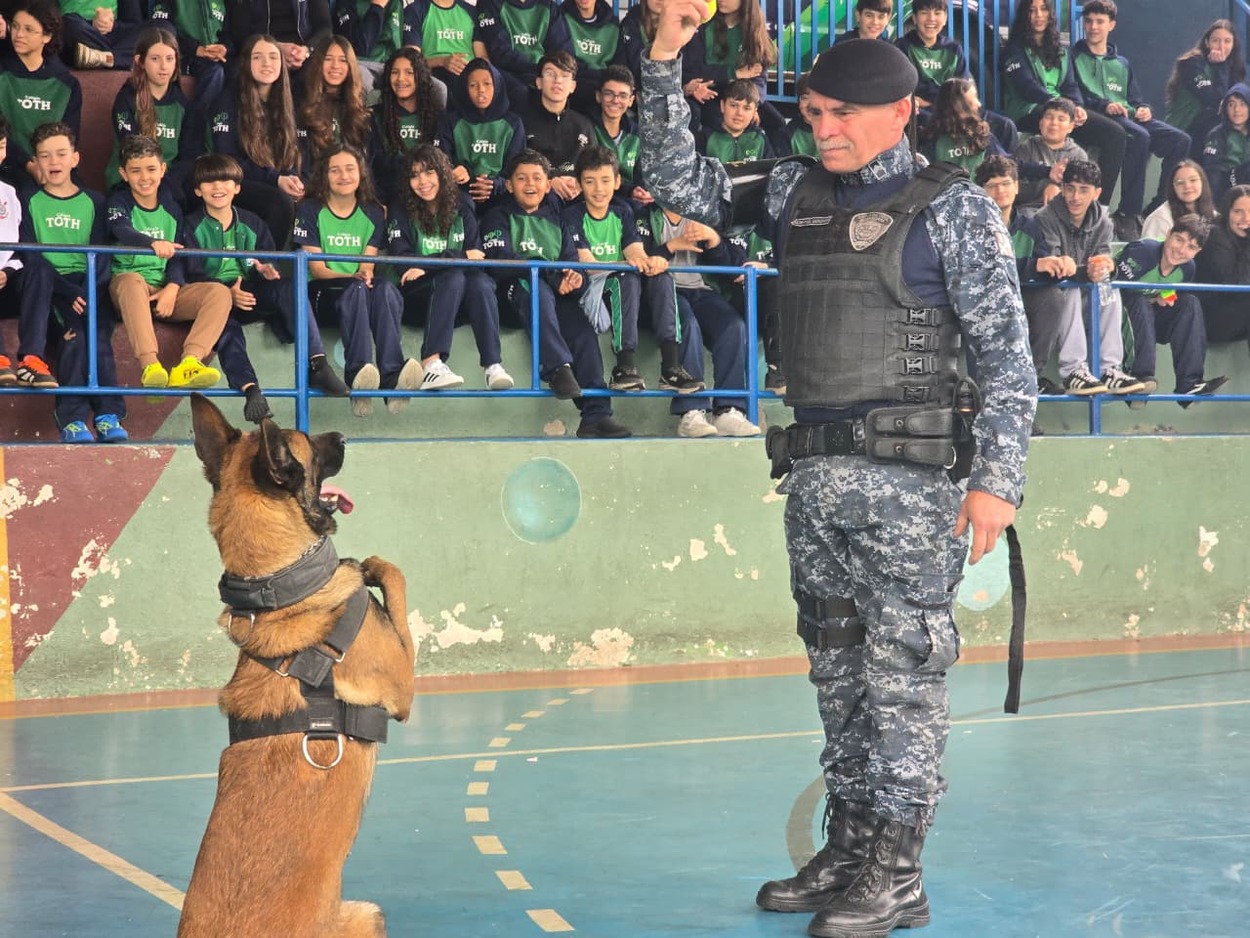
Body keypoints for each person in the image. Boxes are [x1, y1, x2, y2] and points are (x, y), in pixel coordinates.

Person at [640, 15, 1035, 937]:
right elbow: (677, 181)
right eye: (814, 112)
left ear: (901, 111)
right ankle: (852, 844)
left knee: (901, 676)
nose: (825, 129)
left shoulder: (956, 208)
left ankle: (898, 871)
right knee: (838, 675)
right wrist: (663, 58)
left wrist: (999, 480)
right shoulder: (792, 190)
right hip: (814, 482)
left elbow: (1010, 361)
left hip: (912, 486)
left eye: (844, 115)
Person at [185, 152, 349, 423]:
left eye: (225, 181)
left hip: (249, 293)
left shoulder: (252, 223)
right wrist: (227, 293)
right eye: (210, 183)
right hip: (213, 299)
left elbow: (267, 261)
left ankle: (317, 364)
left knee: (289, 288)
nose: (218, 188)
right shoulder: (191, 225)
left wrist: (266, 270)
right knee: (226, 327)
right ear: (197, 190)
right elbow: (190, 275)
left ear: (237, 187)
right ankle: (251, 390)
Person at [480, 148, 630, 438]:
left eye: (537, 178)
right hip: (514, 295)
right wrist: (552, 275)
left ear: (548, 184)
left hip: (554, 294)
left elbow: (570, 262)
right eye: (522, 178)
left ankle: (596, 415)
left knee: (583, 331)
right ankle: (556, 368)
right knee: (534, 283)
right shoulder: (496, 216)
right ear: (509, 184)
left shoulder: (557, 218)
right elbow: (502, 262)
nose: (530, 184)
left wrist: (575, 280)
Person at [291, 142, 421, 417]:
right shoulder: (309, 210)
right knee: (357, 287)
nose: (343, 176)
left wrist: (363, 276)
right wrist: (355, 277)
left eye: (350, 169)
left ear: (361, 173)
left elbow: (368, 266)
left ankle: (391, 376)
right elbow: (318, 270)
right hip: (321, 296)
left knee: (385, 288)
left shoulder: (373, 212)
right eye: (335, 170)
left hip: (358, 290)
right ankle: (358, 372)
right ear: (324, 176)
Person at [562, 145, 702, 397]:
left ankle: (671, 367)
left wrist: (651, 263)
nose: (598, 189)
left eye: (605, 180)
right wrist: (630, 266)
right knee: (626, 278)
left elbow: (635, 252)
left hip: (627, 290)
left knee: (660, 276)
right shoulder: (572, 215)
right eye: (590, 182)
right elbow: (588, 265)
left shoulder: (622, 211)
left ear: (617, 182)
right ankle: (624, 367)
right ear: (579, 184)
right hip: (595, 291)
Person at [19, 121, 127, 441]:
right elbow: (32, 257)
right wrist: (67, 293)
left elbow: (101, 254)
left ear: (75, 159)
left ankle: (109, 415)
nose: (54, 162)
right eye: (45, 156)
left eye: (61, 154)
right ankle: (72, 418)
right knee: (74, 337)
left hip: (91, 284)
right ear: (35, 162)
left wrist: (88, 292)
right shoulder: (29, 200)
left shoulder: (94, 201)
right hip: (53, 287)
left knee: (99, 338)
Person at [107, 134, 233, 391]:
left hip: (162, 290)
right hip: (129, 289)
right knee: (131, 281)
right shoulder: (117, 202)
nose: (145, 177)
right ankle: (150, 364)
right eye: (136, 171)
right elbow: (121, 229)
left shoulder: (173, 209)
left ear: (163, 169)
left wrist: (174, 286)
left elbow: (178, 254)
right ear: (123, 173)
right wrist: (151, 243)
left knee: (219, 292)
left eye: (151, 169)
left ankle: (189, 363)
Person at [386, 144, 514, 392]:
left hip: (456, 299)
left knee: (481, 282)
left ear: (443, 173)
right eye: (414, 175)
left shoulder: (462, 204)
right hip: (415, 299)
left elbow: (476, 258)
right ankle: (431, 364)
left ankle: (492, 366)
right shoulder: (400, 207)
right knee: (454, 275)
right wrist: (458, 257)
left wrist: (431, 264)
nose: (422, 181)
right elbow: (403, 261)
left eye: (429, 172)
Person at [1072, 0, 1191, 242]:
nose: (1093, 27)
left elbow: (1135, 100)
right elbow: (1076, 95)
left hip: (1128, 116)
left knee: (1180, 140)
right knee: (1139, 136)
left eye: (1099, 21)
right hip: (1100, 116)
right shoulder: (1073, 57)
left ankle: (1158, 204)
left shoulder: (1122, 63)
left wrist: (1144, 109)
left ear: (1111, 25)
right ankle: (1127, 213)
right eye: (1089, 21)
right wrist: (1104, 104)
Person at [999, 0, 1126, 218]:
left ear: (1050, 14)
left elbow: (1070, 85)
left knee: (1116, 134)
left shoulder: (1060, 50)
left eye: (1043, 9)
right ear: (1024, 16)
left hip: (1061, 110)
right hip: (1031, 111)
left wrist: (1076, 107)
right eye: (1032, 10)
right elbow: (1027, 87)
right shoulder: (1014, 49)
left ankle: (1099, 208)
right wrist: (1062, 106)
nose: (1038, 15)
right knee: (1057, 115)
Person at [1031, 159, 1142, 395]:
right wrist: (1085, 272)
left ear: (1097, 193)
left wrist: (1105, 267)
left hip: (1086, 295)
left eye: (1084, 190)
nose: (1075, 197)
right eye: (1070, 188)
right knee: (1069, 286)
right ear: (1061, 188)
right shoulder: (1045, 217)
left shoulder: (1103, 219)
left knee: (1108, 286)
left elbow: (1103, 257)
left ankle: (1109, 369)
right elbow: (1055, 270)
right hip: (1050, 297)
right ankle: (1073, 370)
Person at [974, 155, 1068, 398]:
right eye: (992, 186)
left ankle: (1030, 379)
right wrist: (1035, 265)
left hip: (1021, 300)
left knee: (1053, 297)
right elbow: (983, 268)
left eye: (1006, 183)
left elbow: (1044, 267)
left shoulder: (1029, 226)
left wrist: (1062, 266)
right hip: (983, 303)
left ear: (1016, 187)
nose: (1000, 190)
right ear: (982, 191)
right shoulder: (973, 226)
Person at [1115, 215, 1226, 408]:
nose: (1181, 250)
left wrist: (1161, 298)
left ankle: (1188, 385)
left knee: (1190, 302)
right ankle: (1139, 380)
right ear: (1168, 234)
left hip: (1147, 321)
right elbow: (1114, 291)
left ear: (1197, 252)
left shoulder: (1188, 269)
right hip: (1113, 317)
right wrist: (1150, 299)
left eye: (1191, 247)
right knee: (1139, 301)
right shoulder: (1144, 252)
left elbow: (1169, 292)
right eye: (1179, 239)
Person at [208, 33, 306, 247]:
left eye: (273, 57)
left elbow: (290, 154)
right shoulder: (228, 100)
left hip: (272, 182)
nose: (266, 63)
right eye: (258, 57)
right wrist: (275, 180)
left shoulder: (286, 104)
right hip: (234, 183)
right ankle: (266, 270)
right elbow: (227, 161)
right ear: (246, 63)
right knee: (279, 202)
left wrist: (291, 179)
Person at [104, 27, 198, 200]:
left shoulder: (183, 104)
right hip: (129, 182)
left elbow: (188, 157)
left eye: (170, 59)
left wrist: (168, 184)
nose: (164, 66)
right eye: (155, 59)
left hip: (169, 183)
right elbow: (130, 148)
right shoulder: (126, 99)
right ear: (140, 61)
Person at [0, 0, 82, 191]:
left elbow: (69, 137)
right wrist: (29, 165)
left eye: (29, 29)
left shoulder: (67, 85)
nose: (19, 35)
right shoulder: (3, 76)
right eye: (16, 27)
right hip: (7, 168)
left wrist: (47, 166)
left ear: (47, 36)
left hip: (51, 170)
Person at [435, 58, 527, 207]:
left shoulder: (513, 123)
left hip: (502, 195)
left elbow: (517, 166)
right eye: (473, 85)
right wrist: (462, 175)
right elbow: (443, 158)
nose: (481, 90)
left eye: (487, 84)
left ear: (497, 85)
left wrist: (496, 185)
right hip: (460, 193)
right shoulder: (450, 120)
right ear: (465, 88)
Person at [147, 0, 232, 153]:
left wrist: (224, 48)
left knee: (225, 72)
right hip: (180, 55)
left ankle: (216, 145)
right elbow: (160, 29)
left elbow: (230, 35)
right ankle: (194, 141)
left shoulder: (222, 3)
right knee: (215, 73)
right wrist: (195, 49)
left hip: (213, 59)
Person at [0, 117, 46, 389]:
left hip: (6, 285)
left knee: (39, 270)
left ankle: (31, 359)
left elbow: (21, 248)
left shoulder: (11, 190)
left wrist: (6, 271)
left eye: (2, 146)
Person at [516, 51, 595, 203]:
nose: (557, 81)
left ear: (573, 86)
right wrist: (549, 183)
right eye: (550, 74)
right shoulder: (521, 122)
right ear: (538, 82)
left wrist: (579, 184)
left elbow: (593, 168)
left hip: (576, 199)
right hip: (537, 199)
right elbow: (514, 170)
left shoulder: (584, 125)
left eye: (565, 76)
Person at [369, 47, 444, 200]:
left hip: (428, 192)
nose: (400, 79)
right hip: (389, 192)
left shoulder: (437, 115)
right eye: (395, 72)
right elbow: (375, 163)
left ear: (420, 76)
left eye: (409, 73)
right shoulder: (375, 115)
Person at [1165, 20, 1245, 161]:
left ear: (1234, 44)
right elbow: (1215, 100)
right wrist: (1221, 67)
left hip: (1210, 123)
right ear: (1207, 42)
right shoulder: (1191, 63)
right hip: (1184, 126)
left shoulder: (1234, 68)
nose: (1221, 47)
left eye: (1227, 41)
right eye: (1216, 41)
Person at [474, 0, 573, 107]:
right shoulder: (491, 4)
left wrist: (547, 73)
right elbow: (500, 52)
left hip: (543, 72)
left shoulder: (549, 7)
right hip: (507, 71)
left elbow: (561, 50)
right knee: (521, 91)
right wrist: (541, 72)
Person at [298, 35, 374, 170]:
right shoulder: (302, 103)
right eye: (328, 59)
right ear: (318, 63)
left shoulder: (359, 107)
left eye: (343, 60)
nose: (335, 66)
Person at [228, 0, 333, 92]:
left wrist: (306, 50)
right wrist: (275, 49)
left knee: (314, 75)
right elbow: (240, 34)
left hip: (302, 54)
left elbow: (325, 27)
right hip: (261, 50)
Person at [1011, 97, 1088, 212]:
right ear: (1041, 123)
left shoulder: (1078, 155)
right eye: (1049, 117)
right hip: (1030, 210)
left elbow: (1083, 192)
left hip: (1066, 212)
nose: (1054, 123)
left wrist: (1059, 191)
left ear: (1071, 126)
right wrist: (1044, 188)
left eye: (1061, 119)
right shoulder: (1026, 148)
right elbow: (1014, 188)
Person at [1195, 184, 1250, 343]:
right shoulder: (1215, 236)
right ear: (1227, 213)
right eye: (1238, 211)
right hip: (1212, 317)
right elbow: (1237, 284)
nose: (1246, 218)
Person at [918, 77, 1005, 175]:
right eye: (973, 100)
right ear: (958, 107)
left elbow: (1002, 164)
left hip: (978, 190)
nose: (979, 104)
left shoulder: (982, 134)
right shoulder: (930, 140)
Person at [591, 65, 650, 201]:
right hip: (596, 199)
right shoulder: (587, 128)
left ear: (631, 101)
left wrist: (641, 191)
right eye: (609, 94)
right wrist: (629, 190)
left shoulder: (638, 135)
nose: (616, 100)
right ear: (598, 96)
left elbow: (641, 177)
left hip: (631, 200)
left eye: (623, 96)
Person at [401, 0, 486, 91]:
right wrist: (442, 61)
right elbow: (410, 61)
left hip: (470, 75)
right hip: (434, 74)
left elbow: (481, 57)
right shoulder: (415, 10)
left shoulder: (471, 11)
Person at [560, 0, 622, 118]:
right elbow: (565, 60)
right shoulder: (562, 17)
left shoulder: (612, 23)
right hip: (577, 81)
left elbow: (618, 64)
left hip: (604, 81)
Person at [332, 0, 406, 94]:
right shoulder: (347, 3)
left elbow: (396, 44)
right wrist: (378, 7)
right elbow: (360, 48)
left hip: (390, 65)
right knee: (361, 78)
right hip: (361, 63)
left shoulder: (395, 3)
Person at [700, 78, 775, 164]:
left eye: (747, 108)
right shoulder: (705, 138)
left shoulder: (760, 139)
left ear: (754, 111)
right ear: (722, 106)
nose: (739, 113)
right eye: (733, 105)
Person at [1141, 159, 1217, 242]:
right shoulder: (1161, 219)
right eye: (1180, 182)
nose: (1187, 186)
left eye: (1193, 180)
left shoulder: (1214, 215)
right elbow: (1150, 251)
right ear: (1172, 187)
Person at [58, 0, 146, 69]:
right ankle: (120, 57)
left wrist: (113, 25)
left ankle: (104, 57)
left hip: (113, 36)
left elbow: (134, 25)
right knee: (68, 24)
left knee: (155, 29)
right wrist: (92, 23)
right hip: (77, 33)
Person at [1201, 83, 1250, 202]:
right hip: (1227, 186)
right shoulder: (1216, 134)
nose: (1237, 110)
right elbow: (1212, 172)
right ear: (1225, 108)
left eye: (1243, 104)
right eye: (1231, 104)